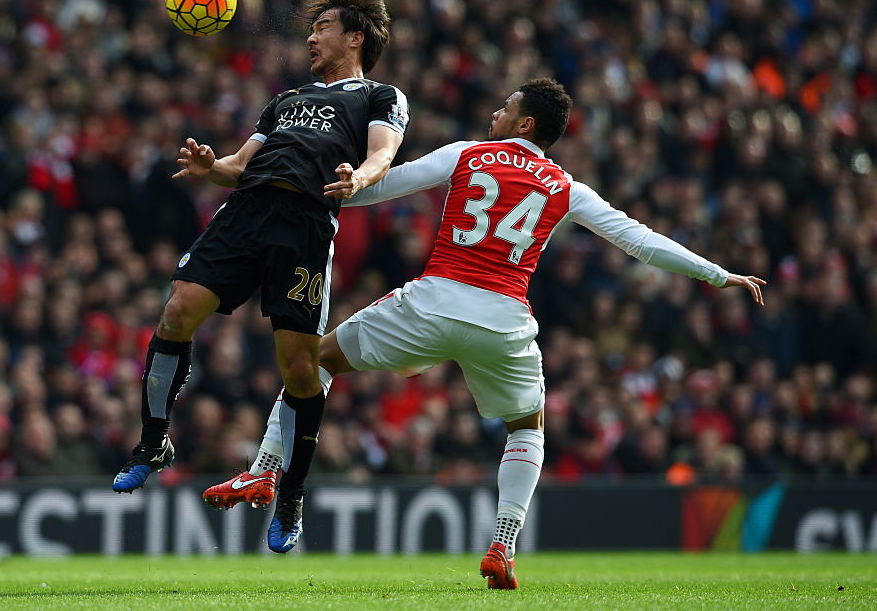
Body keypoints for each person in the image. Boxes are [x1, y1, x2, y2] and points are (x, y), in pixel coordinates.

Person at [202, 78, 765, 586]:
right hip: (503, 321)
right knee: (527, 427)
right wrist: (718, 275)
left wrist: (337, 181)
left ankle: (265, 471)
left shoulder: (466, 154)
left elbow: (377, 188)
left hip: (434, 301)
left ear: (526, 122)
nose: (495, 113)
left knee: (316, 361)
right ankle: (503, 544)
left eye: (505, 107)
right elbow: (639, 240)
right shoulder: (566, 186)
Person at [110, 0, 409, 557]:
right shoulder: (285, 100)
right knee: (176, 311)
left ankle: (290, 491)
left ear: (356, 37)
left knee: (298, 368)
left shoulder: (379, 97)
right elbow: (240, 165)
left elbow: (382, 154)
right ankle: (153, 442)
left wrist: (358, 179)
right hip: (247, 211)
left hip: (304, 225)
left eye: (323, 28)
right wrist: (211, 167)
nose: (311, 39)